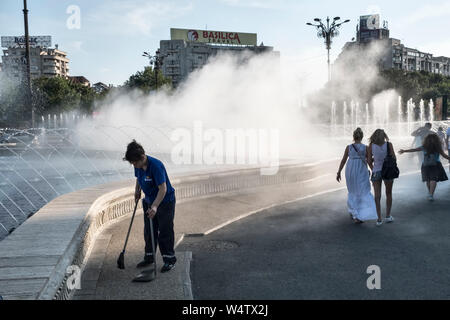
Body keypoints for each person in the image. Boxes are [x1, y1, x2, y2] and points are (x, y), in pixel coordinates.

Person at [123, 140, 177, 273]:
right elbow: (138, 178)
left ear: (142, 157)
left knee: (164, 231)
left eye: (135, 163)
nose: (134, 165)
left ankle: (169, 259)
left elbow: (162, 189)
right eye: (132, 164)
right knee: (149, 231)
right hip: (148, 200)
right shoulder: (138, 165)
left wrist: (155, 207)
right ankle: (149, 257)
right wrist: (137, 191)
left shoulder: (156, 166)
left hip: (164, 202)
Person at [336, 128, 377, 224]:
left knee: (353, 191)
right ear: (362, 137)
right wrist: (374, 171)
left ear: (353, 137)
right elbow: (370, 161)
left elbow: (343, 160)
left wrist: (339, 172)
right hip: (361, 170)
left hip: (350, 170)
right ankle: (358, 214)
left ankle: (354, 212)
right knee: (362, 190)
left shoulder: (349, 147)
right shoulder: (365, 147)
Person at [399, 133, 450, 201]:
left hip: (425, 165)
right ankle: (431, 194)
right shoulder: (437, 147)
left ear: (426, 140)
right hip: (436, 164)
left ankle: (430, 193)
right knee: (433, 179)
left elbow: (414, 150)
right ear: (436, 140)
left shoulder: (424, 147)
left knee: (428, 179)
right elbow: (444, 155)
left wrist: (404, 151)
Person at [367, 129, 396, 226]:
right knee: (388, 193)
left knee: (377, 196)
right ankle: (388, 216)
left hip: (376, 172)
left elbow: (369, 161)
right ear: (384, 135)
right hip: (387, 171)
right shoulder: (389, 144)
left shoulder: (371, 145)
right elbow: (394, 158)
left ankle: (379, 219)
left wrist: (373, 169)